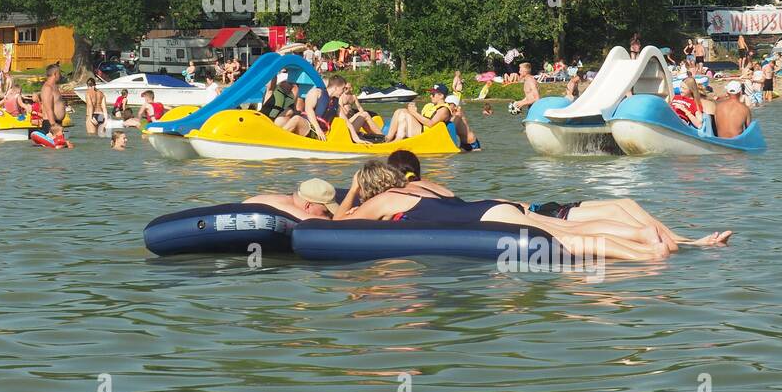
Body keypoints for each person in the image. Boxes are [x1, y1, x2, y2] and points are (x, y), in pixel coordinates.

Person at [334, 163, 728, 263]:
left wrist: (352, 189)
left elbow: (338, 225)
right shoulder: (420, 186)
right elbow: (450, 196)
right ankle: (645, 237)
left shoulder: (381, 201)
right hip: (492, 207)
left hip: (485, 220)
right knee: (567, 226)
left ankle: (646, 253)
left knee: (565, 240)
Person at [244, 177, 339, 220]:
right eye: (325, 212)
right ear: (308, 205)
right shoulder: (285, 206)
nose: (329, 215)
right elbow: (308, 219)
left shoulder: (288, 200)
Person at [40, 64, 67, 130]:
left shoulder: (54, 87)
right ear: (55, 74)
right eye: (59, 73)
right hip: (50, 124)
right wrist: (54, 126)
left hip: (57, 123)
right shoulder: (47, 88)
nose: (60, 75)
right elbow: (48, 109)